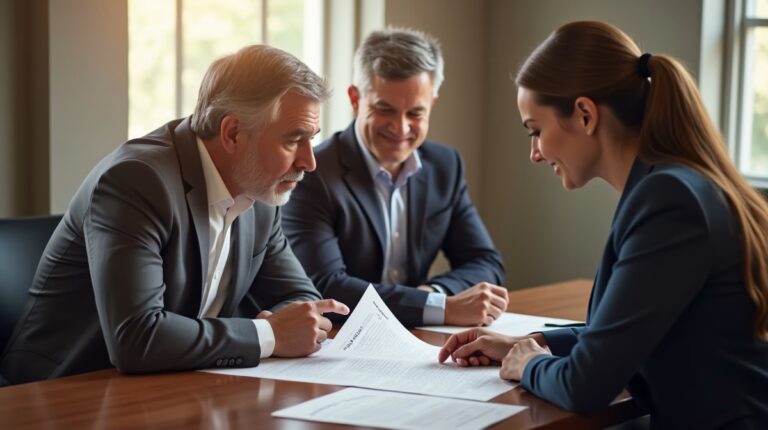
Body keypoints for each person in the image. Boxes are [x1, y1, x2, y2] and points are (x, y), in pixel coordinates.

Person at [438, 21, 768, 428]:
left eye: (535, 131)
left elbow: (585, 384)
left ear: (585, 114)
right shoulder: (671, 185)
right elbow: (627, 331)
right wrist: (529, 344)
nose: (534, 154)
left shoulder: (668, 201)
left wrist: (529, 365)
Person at [0, 45, 350, 385]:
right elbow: (137, 338)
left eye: (311, 140)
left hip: (176, 385)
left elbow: (301, 301)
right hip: (63, 392)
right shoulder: (137, 181)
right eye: (293, 140)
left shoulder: (260, 189)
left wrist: (292, 324)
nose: (309, 162)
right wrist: (269, 334)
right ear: (232, 133)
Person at [282, 28, 507, 327]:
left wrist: (432, 294)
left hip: (416, 340)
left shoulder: (445, 165)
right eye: (384, 109)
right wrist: (439, 307)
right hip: (338, 341)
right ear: (355, 99)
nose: (400, 129)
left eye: (415, 113)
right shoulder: (313, 173)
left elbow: (485, 263)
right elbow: (326, 285)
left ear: (433, 104)